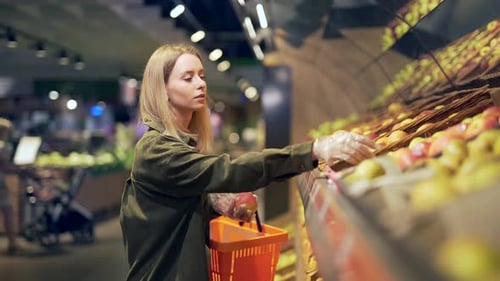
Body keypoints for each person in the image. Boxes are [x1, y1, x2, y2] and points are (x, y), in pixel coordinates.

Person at [119, 43, 376, 281]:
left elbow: (170, 214)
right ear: (162, 90)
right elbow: (229, 171)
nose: (200, 84)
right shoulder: (157, 150)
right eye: (188, 78)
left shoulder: (178, 144)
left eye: (202, 76)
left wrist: (211, 203)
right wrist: (313, 150)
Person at [0, 118, 18, 255]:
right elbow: (6, 166)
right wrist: (21, 169)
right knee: (8, 211)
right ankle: (12, 242)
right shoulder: (2, 147)